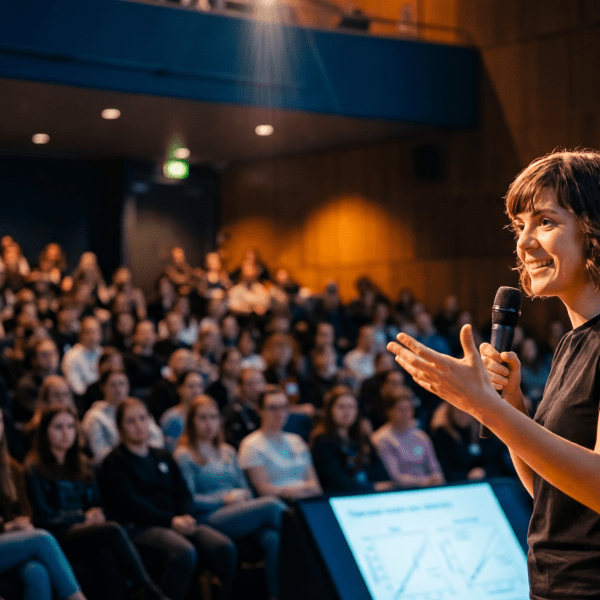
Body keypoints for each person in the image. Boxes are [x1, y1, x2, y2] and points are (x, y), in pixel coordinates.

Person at [387, 150, 600, 600]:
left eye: (545, 222)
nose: (524, 243)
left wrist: (485, 407)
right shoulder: (572, 344)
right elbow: (549, 489)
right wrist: (509, 405)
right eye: (519, 226)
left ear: (593, 228)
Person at [98, 398, 237, 600]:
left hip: (176, 520)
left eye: (143, 418)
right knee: (184, 551)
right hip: (139, 526)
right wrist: (170, 521)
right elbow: (131, 504)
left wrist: (184, 515)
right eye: (131, 421)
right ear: (120, 427)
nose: (139, 425)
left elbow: (183, 493)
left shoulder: (162, 455)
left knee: (224, 547)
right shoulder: (114, 462)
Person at [24, 405, 167, 600]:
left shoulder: (83, 463)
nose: (66, 433)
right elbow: (43, 517)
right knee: (112, 530)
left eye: (70, 427)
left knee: (105, 553)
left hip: (84, 531)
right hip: (55, 535)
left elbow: (98, 503)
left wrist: (96, 514)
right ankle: (148, 590)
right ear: (45, 432)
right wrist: (82, 517)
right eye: (58, 427)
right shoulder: (34, 467)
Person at [174, 395, 286, 600]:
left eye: (213, 417)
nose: (209, 424)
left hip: (238, 513)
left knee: (273, 539)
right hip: (208, 517)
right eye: (203, 418)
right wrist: (224, 499)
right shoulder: (184, 455)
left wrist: (243, 496)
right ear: (192, 422)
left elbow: (246, 490)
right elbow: (189, 501)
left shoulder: (228, 451)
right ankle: (311, 539)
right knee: (271, 505)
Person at [0, 409, 87, 600]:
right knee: (43, 539)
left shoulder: (11, 467)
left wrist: (19, 523)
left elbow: (24, 510)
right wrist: (6, 527)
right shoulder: (33, 466)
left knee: (37, 571)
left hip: (8, 541)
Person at [238, 387, 322, 501]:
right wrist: (297, 491)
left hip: (308, 501)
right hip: (279, 504)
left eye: (283, 407)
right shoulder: (251, 444)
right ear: (260, 411)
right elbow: (264, 489)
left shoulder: (297, 440)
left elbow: (316, 486)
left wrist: (293, 492)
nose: (279, 413)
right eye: (273, 408)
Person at [310, 386, 391, 494]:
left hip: (370, 494)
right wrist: (372, 487)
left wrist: (380, 485)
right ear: (329, 410)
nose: (347, 412)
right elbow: (336, 481)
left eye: (351, 407)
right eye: (341, 407)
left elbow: (380, 471)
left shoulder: (362, 437)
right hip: (340, 496)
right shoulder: (321, 441)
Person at [82, 368, 163, 464]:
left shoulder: (138, 409)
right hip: (117, 465)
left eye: (122, 384)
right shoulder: (94, 416)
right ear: (103, 387)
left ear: (128, 386)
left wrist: (146, 455)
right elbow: (101, 453)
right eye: (113, 385)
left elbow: (156, 437)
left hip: (147, 460)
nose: (118, 389)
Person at [371, 388, 445, 488]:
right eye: (400, 409)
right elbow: (396, 477)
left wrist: (436, 478)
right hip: (401, 491)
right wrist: (425, 481)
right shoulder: (381, 439)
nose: (406, 413)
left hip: (428, 488)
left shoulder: (422, 436)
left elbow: (436, 469)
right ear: (389, 411)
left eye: (409, 409)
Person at [160, 370, 204, 452]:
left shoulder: (208, 415)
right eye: (191, 386)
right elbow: (171, 450)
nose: (196, 390)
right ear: (179, 389)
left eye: (200, 386)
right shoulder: (172, 418)